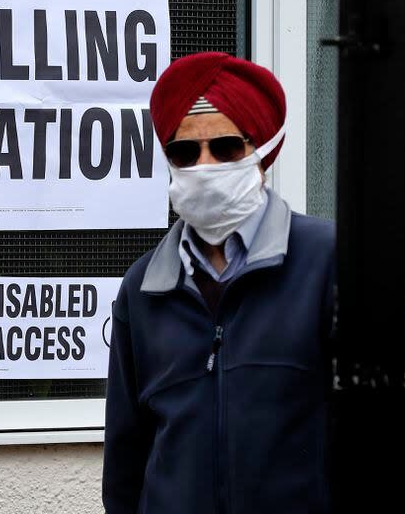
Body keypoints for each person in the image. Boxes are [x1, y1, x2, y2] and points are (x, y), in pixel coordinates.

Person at [102, 52, 336, 514]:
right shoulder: (144, 287)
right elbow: (126, 462)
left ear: (262, 153)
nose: (204, 166)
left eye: (226, 148)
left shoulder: (327, 261)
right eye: (185, 152)